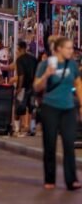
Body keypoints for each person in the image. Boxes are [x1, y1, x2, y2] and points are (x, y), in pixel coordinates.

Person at [33, 36, 82, 191]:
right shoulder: (44, 64)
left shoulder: (72, 65)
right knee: (50, 144)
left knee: (69, 143)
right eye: (68, 48)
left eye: (72, 48)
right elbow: (36, 87)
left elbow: (78, 84)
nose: (71, 51)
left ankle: (71, 180)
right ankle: (50, 178)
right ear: (59, 49)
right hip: (50, 107)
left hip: (68, 108)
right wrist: (47, 75)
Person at [15, 39, 38, 137]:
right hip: (33, 87)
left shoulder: (19, 60)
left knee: (19, 108)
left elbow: (21, 75)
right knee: (32, 108)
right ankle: (32, 128)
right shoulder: (33, 59)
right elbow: (37, 73)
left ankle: (17, 128)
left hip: (23, 87)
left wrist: (19, 88)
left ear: (20, 48)